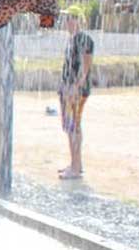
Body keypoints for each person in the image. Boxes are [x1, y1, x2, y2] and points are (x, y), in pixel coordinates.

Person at [57, 10, 94, 180]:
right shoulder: (72, 40)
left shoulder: (84, 39)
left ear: (78, 20)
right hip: (68, 89)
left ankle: (76, 167)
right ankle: (75, 164)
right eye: (65, 20)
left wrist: (75, 87)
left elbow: (86, 66)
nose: (67, 23)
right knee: (70, 125)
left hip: (76, 91)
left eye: (70, 19)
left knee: (74, 126)